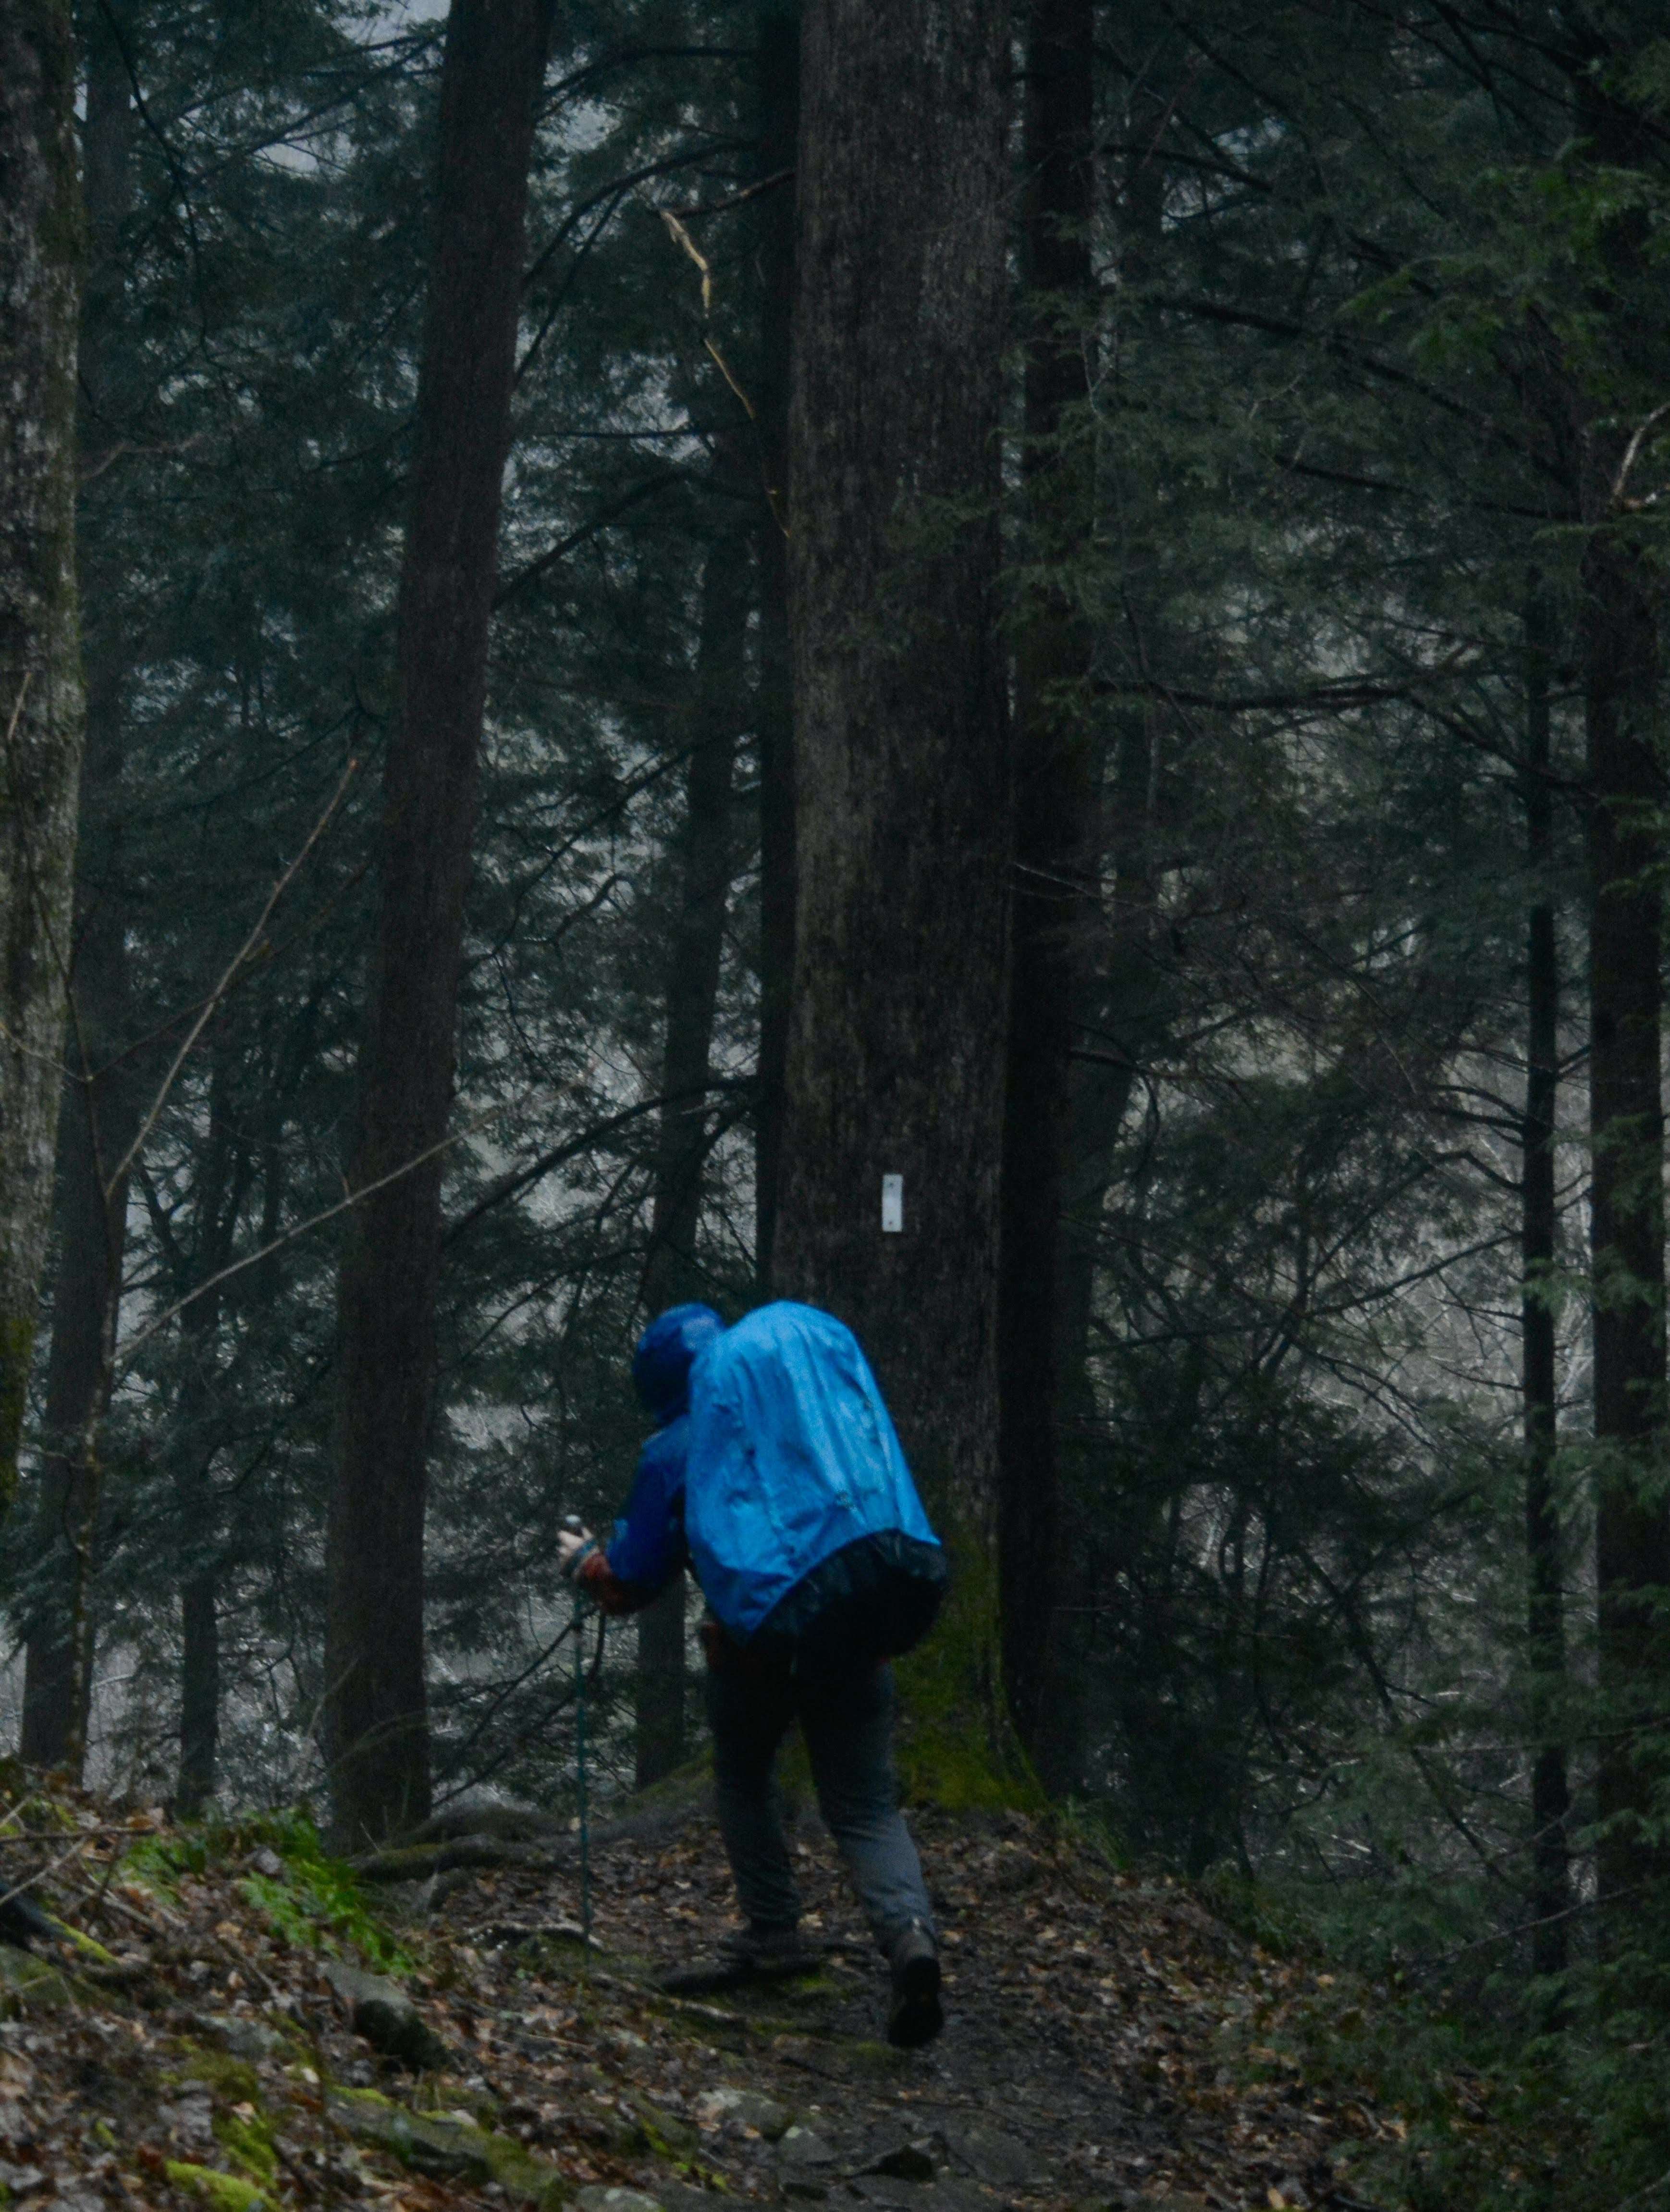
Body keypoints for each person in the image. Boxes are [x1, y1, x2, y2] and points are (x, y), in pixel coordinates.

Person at [555, 1299, 947, 2049]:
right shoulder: (804, 1402)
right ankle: (910, 1940)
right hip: (862, 1615)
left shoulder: (677, 1443)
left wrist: (583, 1563)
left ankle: (774, 1931)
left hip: (763, 1646)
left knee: (742, 1773)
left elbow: (629, 1585)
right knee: (866, 1803)